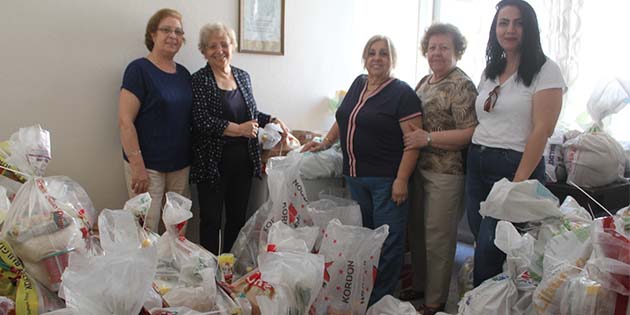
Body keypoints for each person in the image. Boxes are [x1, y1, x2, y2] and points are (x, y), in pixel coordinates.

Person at [302, 35, 422, 305]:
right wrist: (325, 142)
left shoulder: (402, 93)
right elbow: (343, 118)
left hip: (387, 181)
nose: (377, 58)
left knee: (388, 243)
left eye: (384, 53)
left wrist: (402, 179)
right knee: (366, 239)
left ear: (392, 60)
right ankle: (364, 293)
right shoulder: (359, 83)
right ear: (365, 58)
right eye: (372, 53)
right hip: (355, 177)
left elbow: (413, 142)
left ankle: (381, 301)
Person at [466, 0, 566, 286]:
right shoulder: (490, 70)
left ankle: (481, 303)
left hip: (515, 166)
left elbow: (542, 129)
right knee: (482, 240)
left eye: (518, 22)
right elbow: (485, 118)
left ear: (530, 28)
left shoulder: (546, 70)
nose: (510, 29)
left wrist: (517, 183)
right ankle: (493, 299)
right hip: (478, 161)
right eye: (503, 22)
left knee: (490, 248)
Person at [191, 22, 288, 254]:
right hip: (212, 164)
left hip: (243, 161)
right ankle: (209, 273)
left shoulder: (243, 76)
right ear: (203, 51)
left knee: (237, 219)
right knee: (211, 221)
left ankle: (229, 269)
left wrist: (272, 119)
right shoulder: (199, 80)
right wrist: (239, 129)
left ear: (232, 47)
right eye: (212, 46)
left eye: (224, 44)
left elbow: (252, 114)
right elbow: (201, 121)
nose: (219, 50)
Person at [403, 23, 478, 315]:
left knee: (439, 239)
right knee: (420, 234)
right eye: (432, 47)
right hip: (419, 168)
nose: (437, 52)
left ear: (456, 51)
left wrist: (429, 138)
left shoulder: (461, 85)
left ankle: (435, 301)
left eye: (444, 47)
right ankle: (421, 286)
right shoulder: (426, 81)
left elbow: (470, 132)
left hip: (446, 173)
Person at [118, 8, 192, 232]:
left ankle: (171, 267)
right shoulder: (138, 70)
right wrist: (137, 165)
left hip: (180, 165)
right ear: (152, 34)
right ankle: (146, 269)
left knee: (177, 228)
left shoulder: (184, 75)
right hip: (147, 166)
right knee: (145, 229)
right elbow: (125, 121)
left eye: (178, 32)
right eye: (166, 30)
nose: (173, 36)